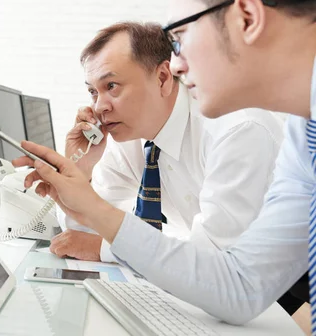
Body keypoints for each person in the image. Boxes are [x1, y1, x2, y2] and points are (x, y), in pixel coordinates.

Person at [14, 0, 316, 327]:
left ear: (247, 18)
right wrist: (83, 186)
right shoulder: (302, 135)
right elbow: (240, 288)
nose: (174, 65)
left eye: (180, 37)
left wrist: (102, 231)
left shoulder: (246, 126)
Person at [51, 22, 284, 267]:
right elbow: (78, 237)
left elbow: (217, 257)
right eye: (93, 92)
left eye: (111, 86)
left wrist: (107, 249)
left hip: (287, 292)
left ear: (162, 78)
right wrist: (79, 171)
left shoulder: (236, 129)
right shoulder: (130, 136)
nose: (99, 107)